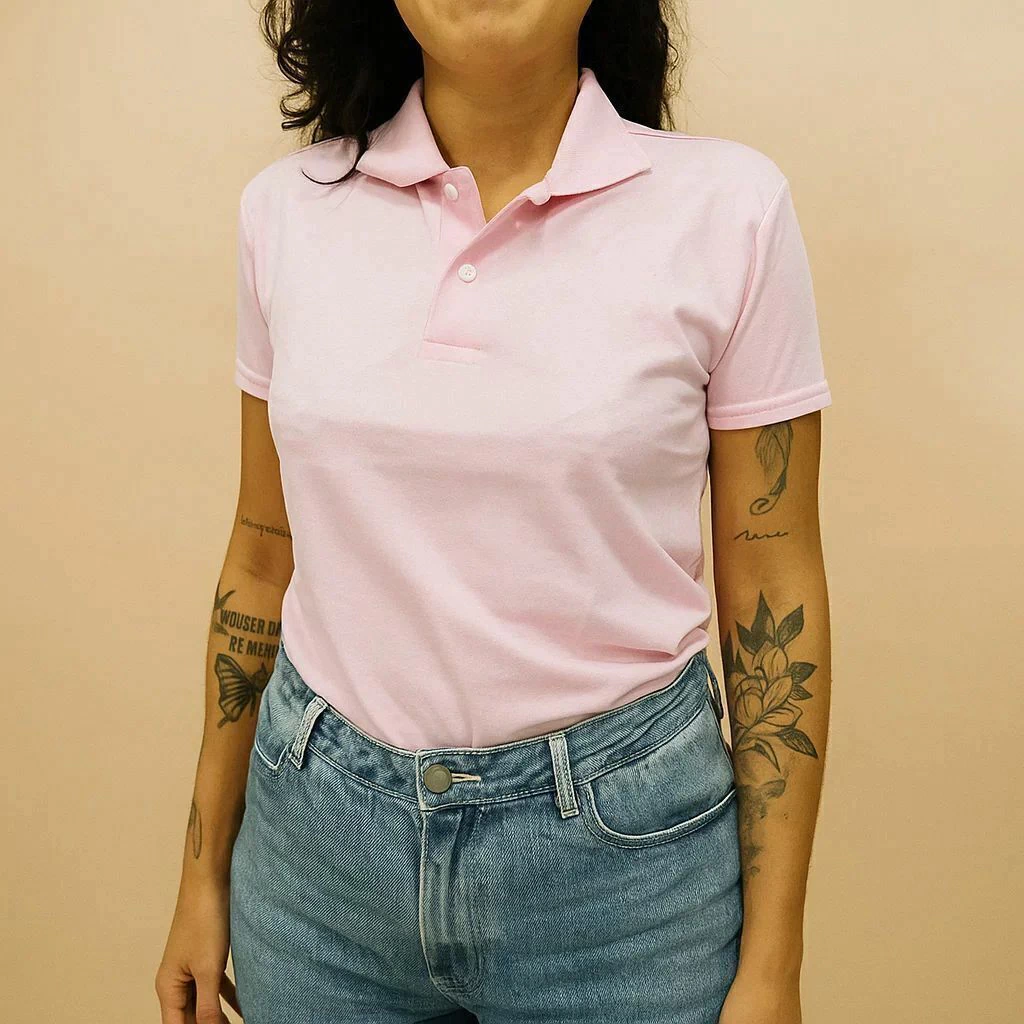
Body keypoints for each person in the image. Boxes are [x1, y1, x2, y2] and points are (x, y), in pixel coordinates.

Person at [155, 2, 834, 1022]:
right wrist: (201, 875)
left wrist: (773, 962)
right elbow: (262, 549)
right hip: (315, 870)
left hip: (626, 885)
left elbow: (772, 581)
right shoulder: (286, 211)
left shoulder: (729, 208)